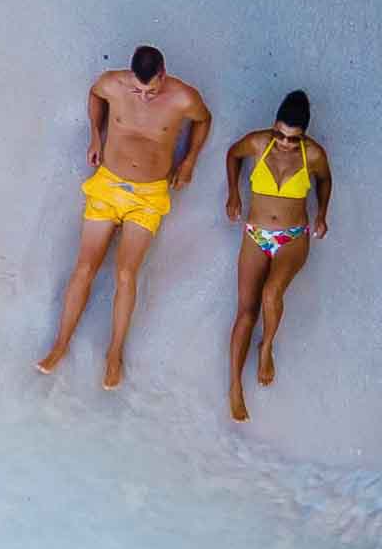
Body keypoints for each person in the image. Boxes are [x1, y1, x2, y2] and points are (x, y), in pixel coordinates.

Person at [37, 46, 212, 388]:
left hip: (148, 196)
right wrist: (95, 134)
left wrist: (189, 160)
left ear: (163, 73)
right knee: (84, 267)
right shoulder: (113, 83)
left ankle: (114, 353)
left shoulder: (183, 97)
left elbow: (204, 120)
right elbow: (94, 93)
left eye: (152, 90)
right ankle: (60, 345)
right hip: (108, 184)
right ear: (131, 75)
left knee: (125, 274)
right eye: (138, 89)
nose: (145, 96)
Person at [220, 90, 332, 421]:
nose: (284, 143)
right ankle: (235, 387)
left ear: (304, 135)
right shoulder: (258, 143)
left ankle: (266, 347)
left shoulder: (313, 154)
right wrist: (233, 194)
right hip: (256, 235)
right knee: (245, 312)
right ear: (274, 126)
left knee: (271, 293)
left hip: (292, 237)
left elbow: (325, 179)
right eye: (280, 134)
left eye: (292, 139)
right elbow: (231, 155)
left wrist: (322, 213)